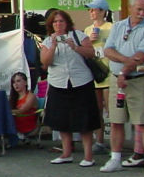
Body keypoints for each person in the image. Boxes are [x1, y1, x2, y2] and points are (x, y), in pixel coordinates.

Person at [102, 0, 144, 177]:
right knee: (116, 121)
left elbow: (142, 55)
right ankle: (115, 158)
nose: (143, 13)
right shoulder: (119, 26)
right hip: (116, 79)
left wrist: (124, 71)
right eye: (139, 9)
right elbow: (108, 50)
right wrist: (123, 64)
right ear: (130, 8)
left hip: (139, 79)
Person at [37, 9, 100, 166]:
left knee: (85, 120)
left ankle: (88, 156)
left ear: (67, 23)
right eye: (55, 22)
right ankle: (66, 153)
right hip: (59, 83)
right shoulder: (46, 41)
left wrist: (75, 47)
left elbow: (91, 53)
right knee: (62, 120)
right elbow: (45, 62)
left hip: (81, 81)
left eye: (61, 21)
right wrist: (52, 46)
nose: (58, 25)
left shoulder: (78, 35)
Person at [85, 0, 114, 153]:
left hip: (108, 73)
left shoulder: (112, 27)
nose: (91, 12)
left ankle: (115, 144)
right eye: (90, 10)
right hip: (94, 73)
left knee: (111, 110)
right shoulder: (87, 30)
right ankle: (100, 141)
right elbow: (85, 49)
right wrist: (89, 41)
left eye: (94, 9)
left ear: (103, 11)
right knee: (97, 110)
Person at [10, 71, 40, 137]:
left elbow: (22, 111)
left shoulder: (30, 96)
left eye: (18, 81)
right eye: (13, 82)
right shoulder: (13, 98)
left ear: (25, 82)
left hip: (27, 125)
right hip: (15, 123)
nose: (15, 84)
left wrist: (6, 112)